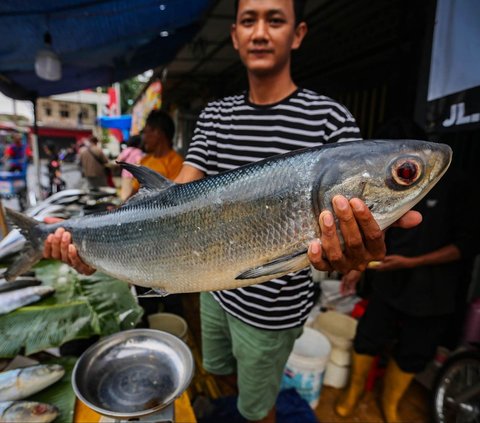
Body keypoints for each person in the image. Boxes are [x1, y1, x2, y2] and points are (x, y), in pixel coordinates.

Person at [43, 1, 421, 421]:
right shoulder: (216, 115)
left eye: (275, 20)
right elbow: (177, 196)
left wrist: (359, 255)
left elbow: (357, 245)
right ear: (236, 36)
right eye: (248, 20)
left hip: (273, 310)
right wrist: (96, 245)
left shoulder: (331, 120)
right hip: (212, 286)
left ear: (297, 34)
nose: (260, 31)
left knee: (259, 406)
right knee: (219, 371)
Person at [335, 121, 478, 422]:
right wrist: (358, 267)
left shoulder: (457, 186)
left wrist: (413, 262)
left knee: (414, 351)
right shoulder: (381, 184)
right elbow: (377, 229)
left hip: (433, 291)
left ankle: (391, 404)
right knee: (367, 337)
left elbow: (466, 246)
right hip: (389, 281)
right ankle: (354, 393)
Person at [130, 109, 183, 196]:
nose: (144, 138)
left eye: (146, 132)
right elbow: (134, 192)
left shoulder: (176, 162)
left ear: (157, 132)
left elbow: (174, 196)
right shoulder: (144, 160)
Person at [116, 134, 144, 201]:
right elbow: (139, 163)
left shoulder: (126, 150)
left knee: (125, 193)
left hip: (125, 174)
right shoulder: (139, 152)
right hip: (134, 176)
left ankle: (122, 207)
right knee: (132, 196)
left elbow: (118, 160)